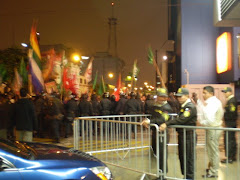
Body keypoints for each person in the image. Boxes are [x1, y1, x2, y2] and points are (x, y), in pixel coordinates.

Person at [160, 88, 197, 180]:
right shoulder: (184, 106)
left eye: (181, 96)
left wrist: (167, 123)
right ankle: (186, 176)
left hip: (188, 136)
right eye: (178, 96)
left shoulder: (189, 107)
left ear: (187, 96)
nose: (179, 98)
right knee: (183, 157)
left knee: (188, 158)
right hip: (183, 135)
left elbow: (182, 119)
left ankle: (189, 177)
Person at [141, 88, 173, 179]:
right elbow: (153, 116)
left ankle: (163, 175)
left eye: (163, 97)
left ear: (166, 98)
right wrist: (149, 124)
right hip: (155, 133)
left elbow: (162, 119)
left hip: (163, 134)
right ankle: (160, 173)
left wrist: (149, 121)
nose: (161, 98)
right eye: (159, 96)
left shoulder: (167, 108)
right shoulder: (155, 106)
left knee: (162, 154)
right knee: (156, 152)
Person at [193, 86, 223, 178]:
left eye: (205, 93)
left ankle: (213, 171)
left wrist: (201, 122)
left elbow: (210, 120)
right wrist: (197, 101)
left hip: (213, 129)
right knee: (212, 150)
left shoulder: (213, 103)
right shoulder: (212, 102)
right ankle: (212, 167)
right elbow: (204, 111)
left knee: (213, 151)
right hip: (213, 129)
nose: (203, 95)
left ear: (211, 93)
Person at [221, 87, 238, 163]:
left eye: (226, 92)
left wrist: (227, 121)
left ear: (230, 92)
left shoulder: (231, 101)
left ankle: (230, 157)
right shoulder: (230, 100)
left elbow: (232, 113)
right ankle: (231, 156)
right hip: (230, 122)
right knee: (230, 139)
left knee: (229, 140)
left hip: (230, 123)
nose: (225, 94)